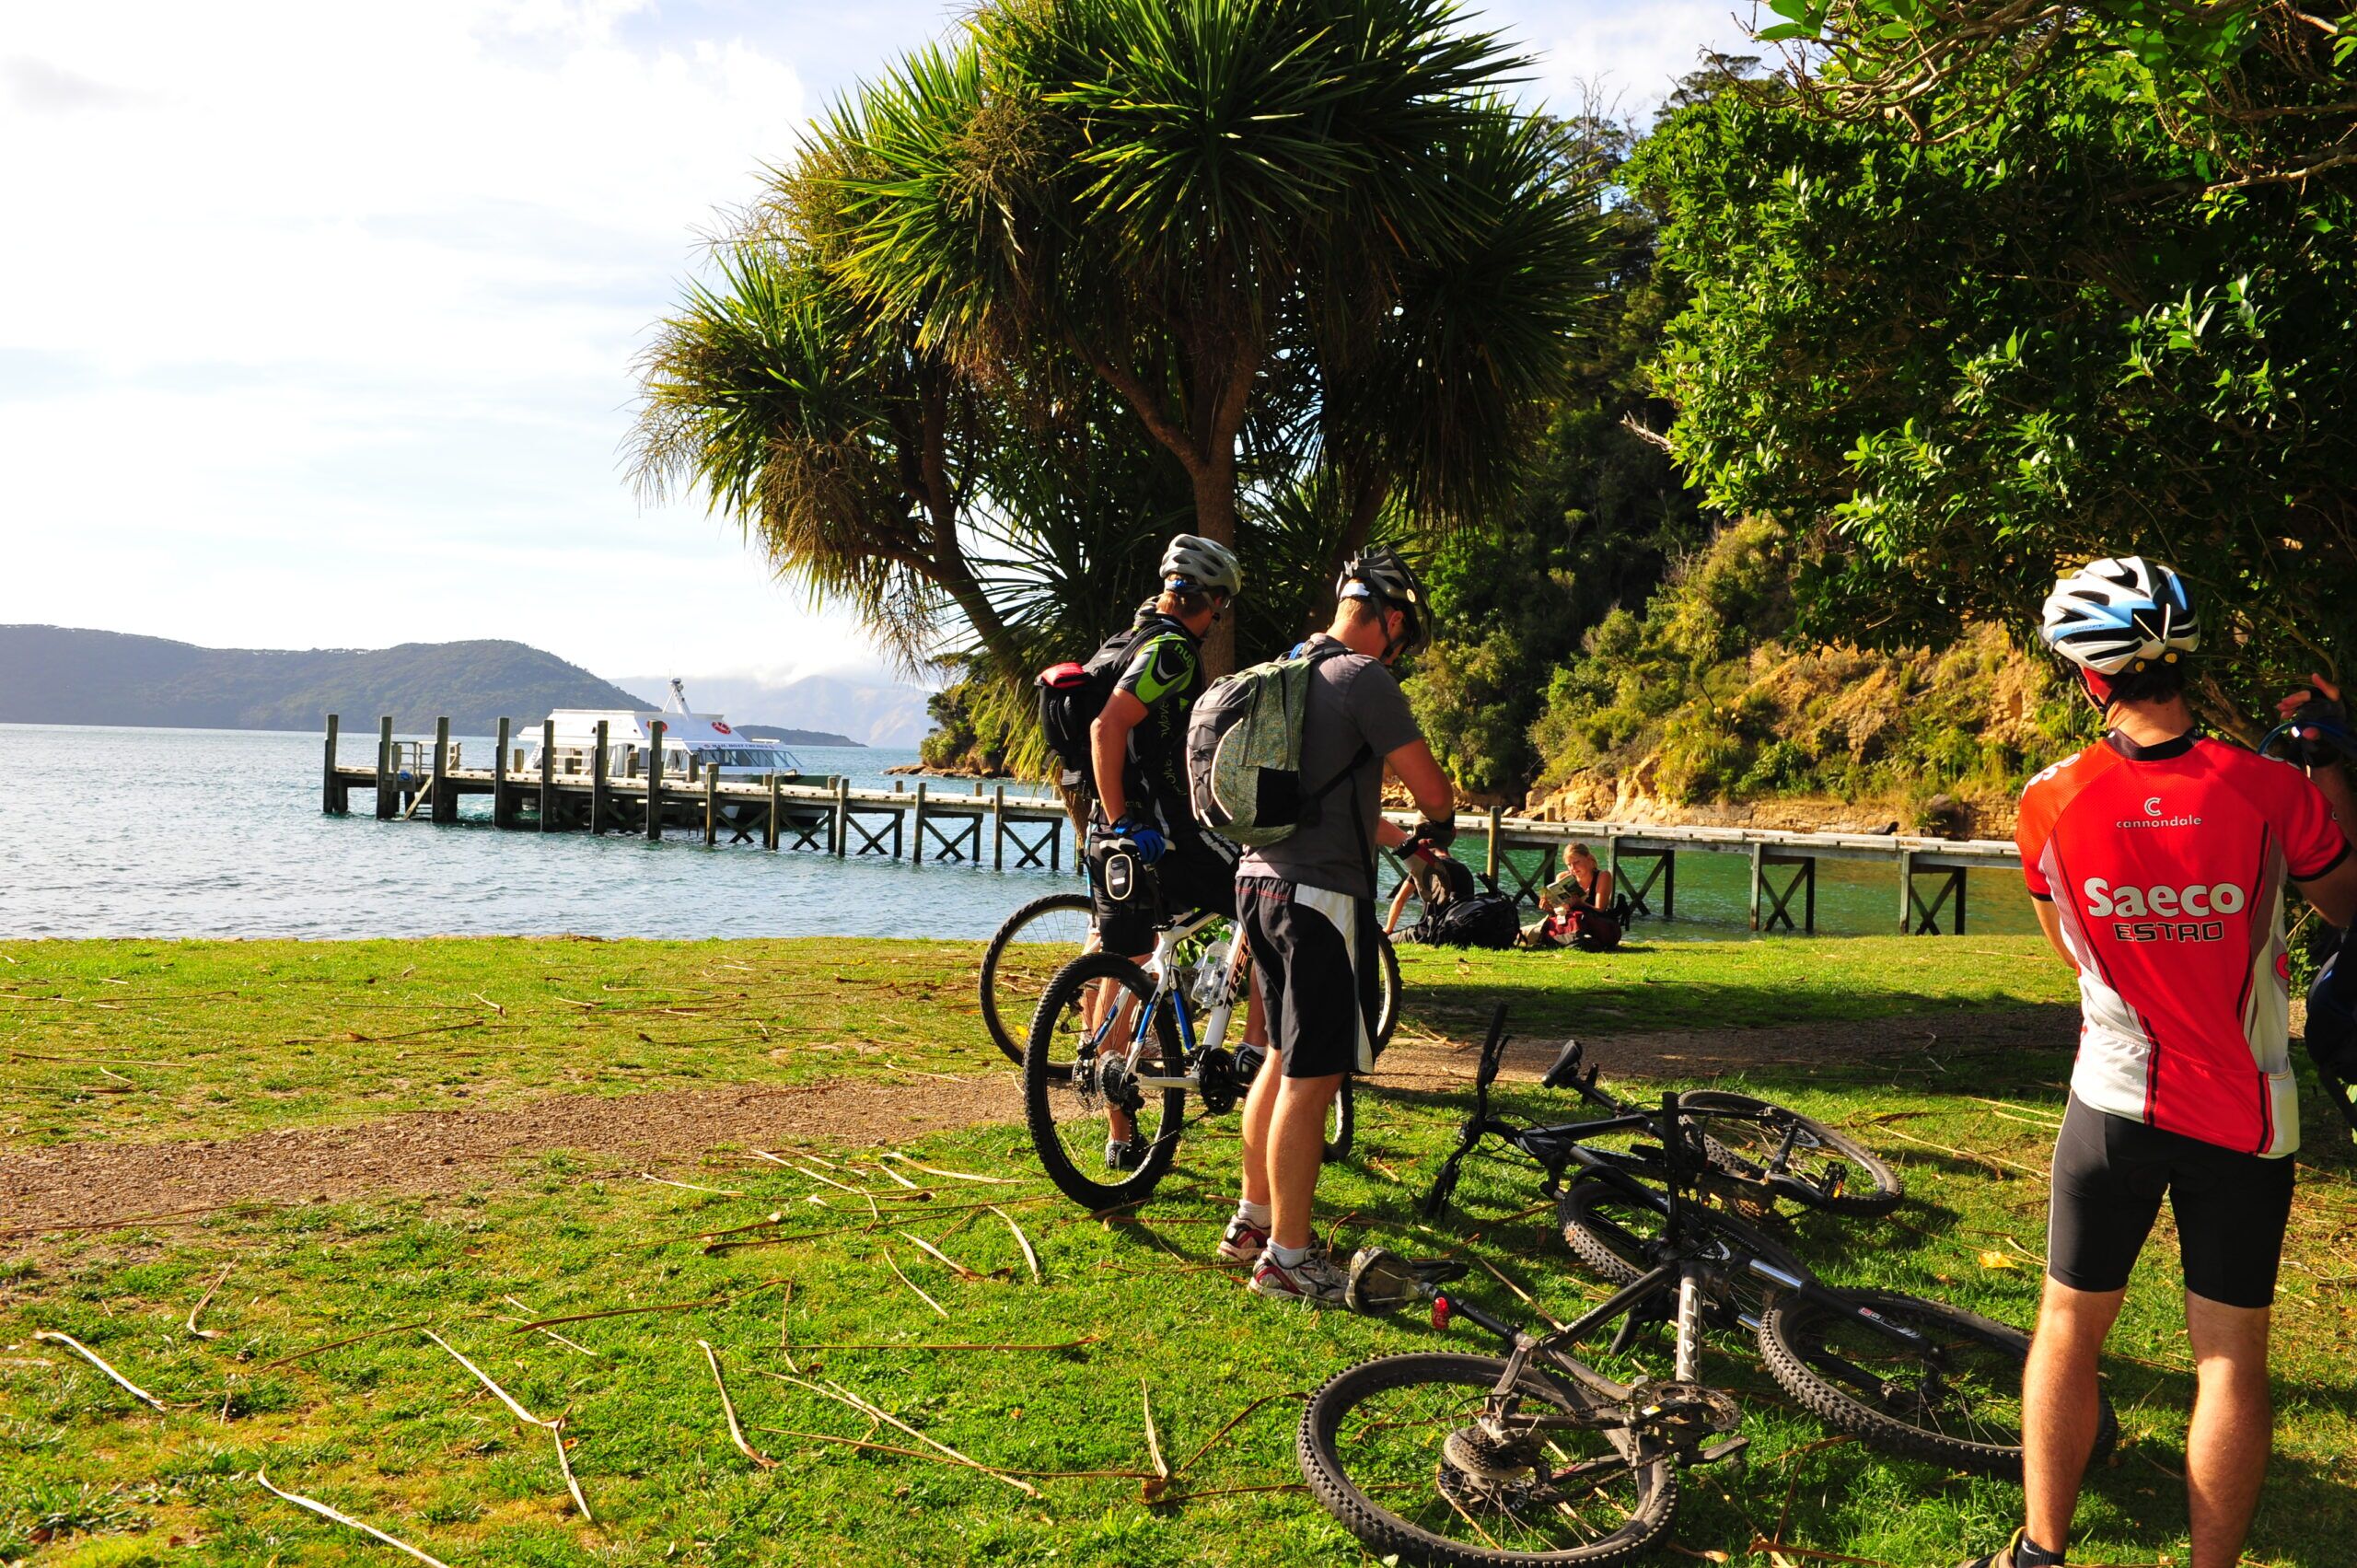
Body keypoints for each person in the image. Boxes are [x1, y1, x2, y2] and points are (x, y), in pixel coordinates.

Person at [1957, 557, 2357, 1568]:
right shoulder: (2271, 789)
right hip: (2247, 1112)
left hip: (2113, 1102)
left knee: (2067, 1324)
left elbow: (2069, 951)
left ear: (2091, 677)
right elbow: (2344, 903)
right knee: (2229, 1356)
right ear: (2181, 659)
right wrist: (2324, 760)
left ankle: (2040, 1552)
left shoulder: (2049, 800)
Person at [1218, 549, 1457, 1303]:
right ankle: (1288, 1259)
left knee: (1278, 1055)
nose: (1398, 648)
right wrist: (1439, 821)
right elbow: (1433, 789)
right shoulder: (1364, 678)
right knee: (1314, 1073)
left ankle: (1254, 1221)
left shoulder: (1290, 667)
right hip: (1320, 896)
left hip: (1257, 880)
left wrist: (1395, 835)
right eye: (1401, 633)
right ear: (1389, 617)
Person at [1087, 533, 1260, 1170]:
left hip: (1109, 836)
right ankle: (1250, 1051)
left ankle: (1120, 1132)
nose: (1219, 618)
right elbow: (1108, 725)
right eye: (1221, 606)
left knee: (1122, 961)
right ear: (1212, 602)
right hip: (1155, 830)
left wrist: (1111, 823)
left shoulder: (1128, 637)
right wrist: (1126, 819)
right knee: (1262, 893)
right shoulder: (1173, 651)